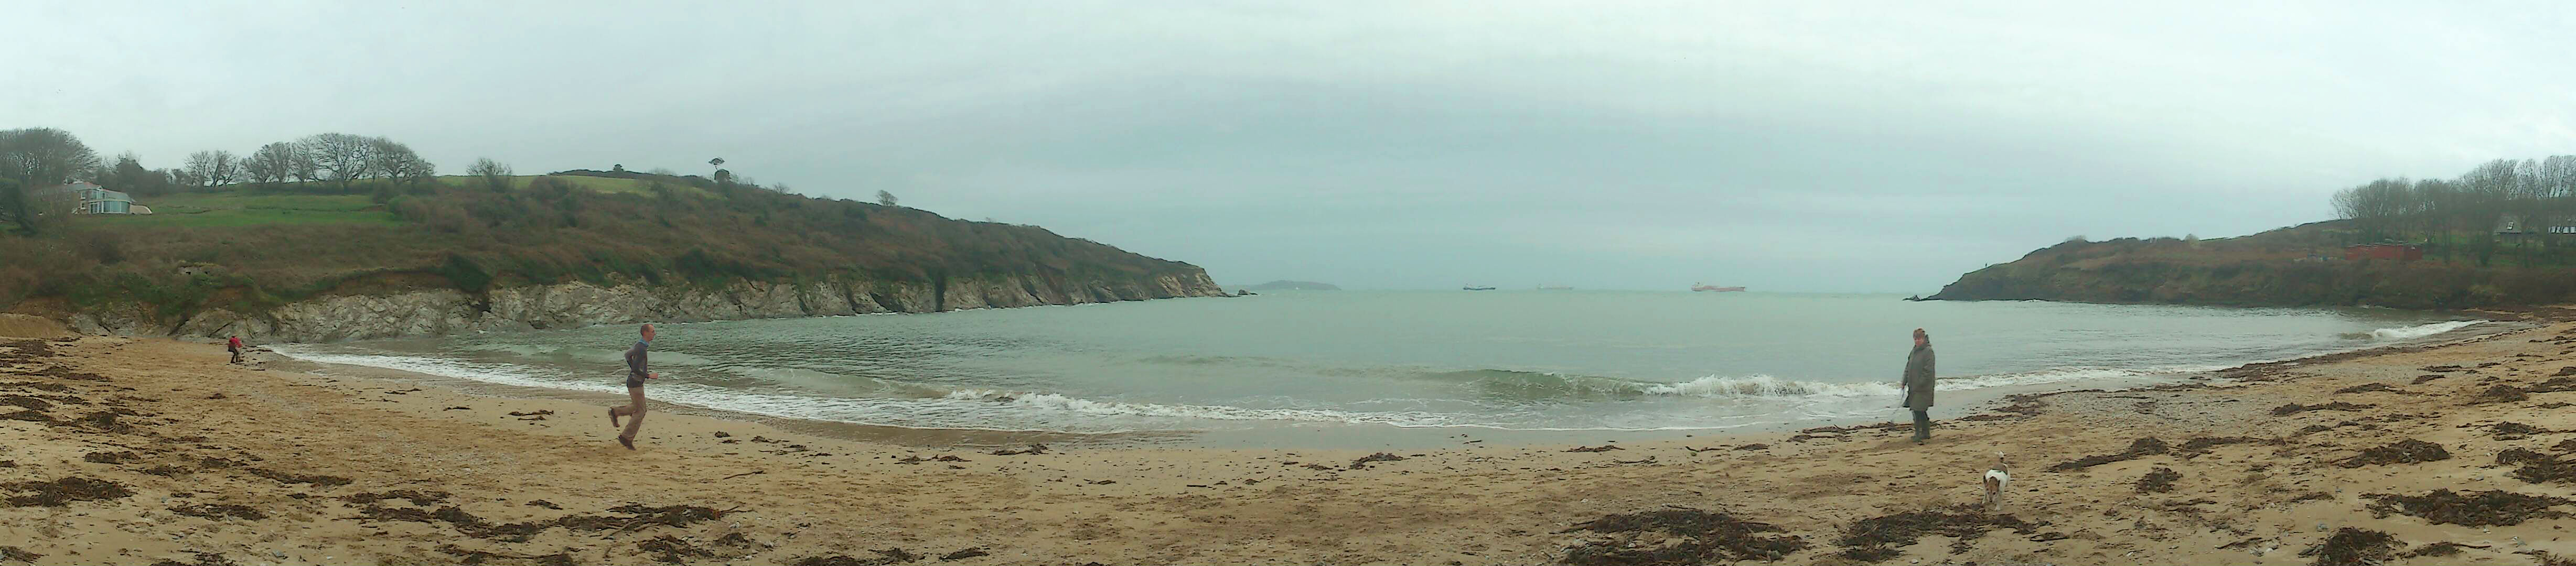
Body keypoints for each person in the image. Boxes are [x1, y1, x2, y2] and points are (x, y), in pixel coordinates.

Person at [606, 324, 659, 449]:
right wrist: (648, 375)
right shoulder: (641, 349)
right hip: (635, 383)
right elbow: (636, 368)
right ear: (646, 333)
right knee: (641, 411)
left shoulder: (640, 346)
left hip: (634, 382)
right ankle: (626, 438)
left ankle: (616, 412)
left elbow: (627, 355)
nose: (655, 334)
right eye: (653, 331)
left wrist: (635, 370)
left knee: (637, 407)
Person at [1902, 328, 1937, 443]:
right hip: (1913, 387)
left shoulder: (1928, 351)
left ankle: (1921, 433)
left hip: (1924, 388)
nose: (1917, 341)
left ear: (1924, 339)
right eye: (1915, 339)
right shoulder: (1914, 351)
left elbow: (1929, 371)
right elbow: (1908, 367)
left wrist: (1920, 383)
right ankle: (1924, 433)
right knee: (1917, 410)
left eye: (1919, 339)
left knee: (1919, 409)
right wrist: (1904, 381)